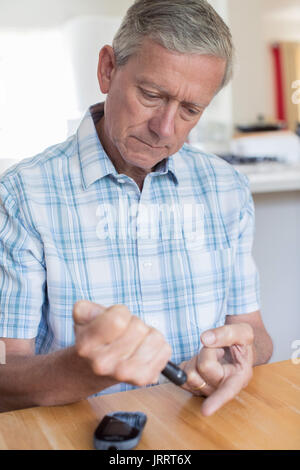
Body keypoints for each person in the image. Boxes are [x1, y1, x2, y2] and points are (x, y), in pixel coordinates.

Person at [0, 0, 273, 416]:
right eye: (151, 95)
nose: (165, 128)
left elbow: (254, 331)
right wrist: (83, 370)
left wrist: (238, 355)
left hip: (200, 426)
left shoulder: (227, 188)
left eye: (190, 110)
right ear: (107, 69)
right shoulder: (22, 196)